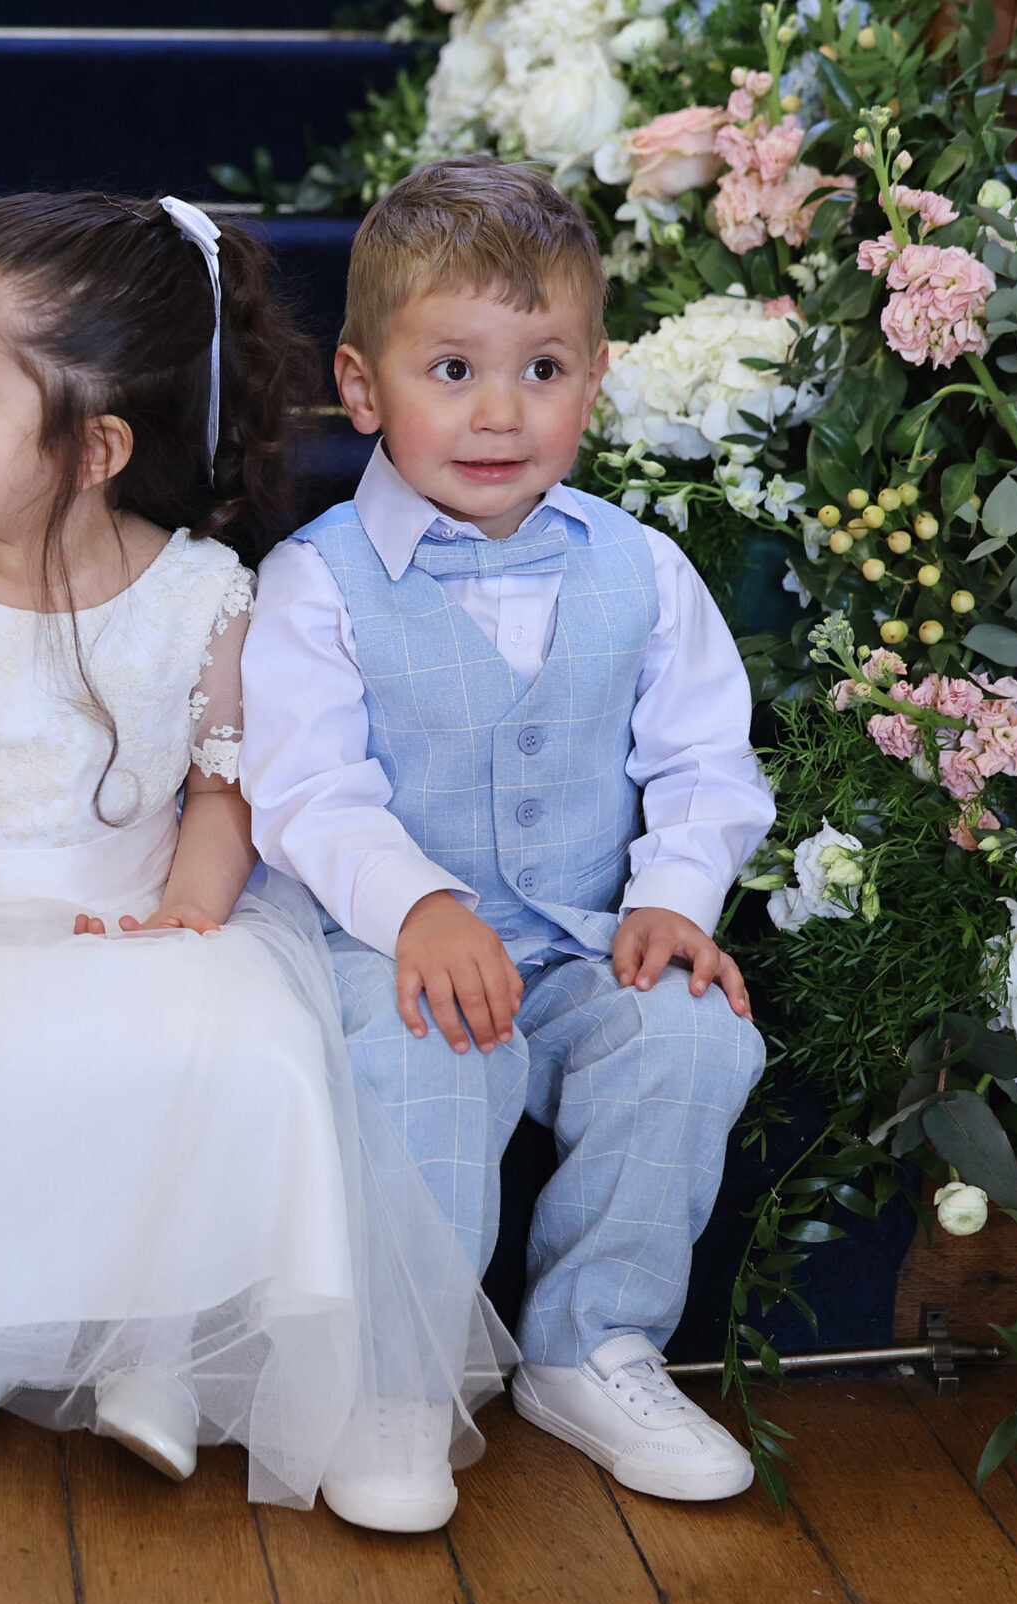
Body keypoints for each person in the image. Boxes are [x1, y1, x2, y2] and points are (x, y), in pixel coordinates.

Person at [0, 191, 510, 1529]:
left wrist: (188, 911)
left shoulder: (201, 593)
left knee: (228, 1052)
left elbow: (222, 789)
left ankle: (158, 1340)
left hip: (131, 915)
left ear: (97, 446)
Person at [241, 156, 775, 1508]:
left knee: (692, 1034)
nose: (499, 412)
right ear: (363, 386)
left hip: (581, 938)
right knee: (430, 1060)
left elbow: (705, 763)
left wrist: (674, 898)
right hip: (389, 948)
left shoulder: (641, 568)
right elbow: (308, 790)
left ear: (595, 381)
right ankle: (401, 1376)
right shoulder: (315, 583)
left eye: (542, 370)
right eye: (453, 370)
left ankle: (595, 1344)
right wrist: (417, 906)